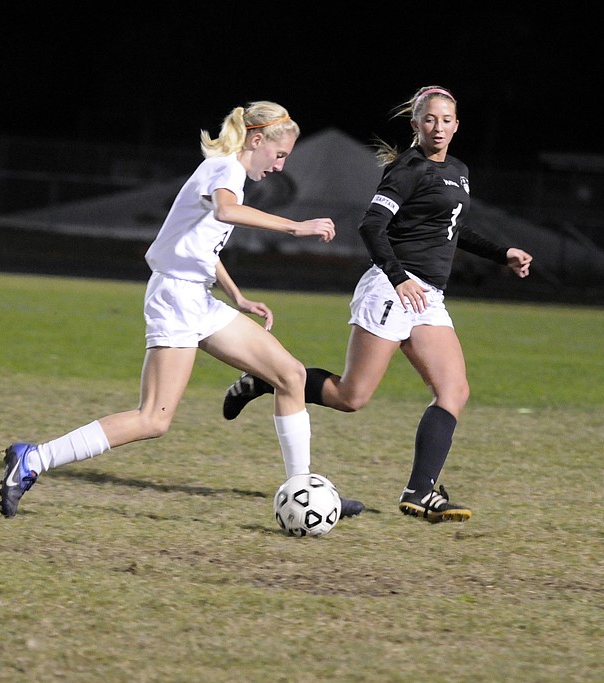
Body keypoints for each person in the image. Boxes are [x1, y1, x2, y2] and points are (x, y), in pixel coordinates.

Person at [0, 101, 365, 519]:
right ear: (257, 140)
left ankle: (303, 489)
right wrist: (296, 226)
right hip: (175, 298)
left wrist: (237, 296)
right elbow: (226, 211)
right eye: (279, 155)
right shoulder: (224, 169)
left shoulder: (229, 174)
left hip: (198, 299)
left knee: (291, 375)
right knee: (153, 419)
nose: (280, 166)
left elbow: (203, 245)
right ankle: (34, 458)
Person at [222, 86, 533, 523]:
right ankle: (266, 379)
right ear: (415, 125)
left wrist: (503, 253)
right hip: (391, 288)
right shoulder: (408, 168)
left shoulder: (459, 171)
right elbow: (372, 226)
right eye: (429, 119)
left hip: (428, 297)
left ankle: (420, 492)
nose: (438, 127)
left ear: (457, 125)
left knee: (454, 391)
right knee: (351, 397)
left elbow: (451, 228)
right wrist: (399, 277)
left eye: (446, 120)